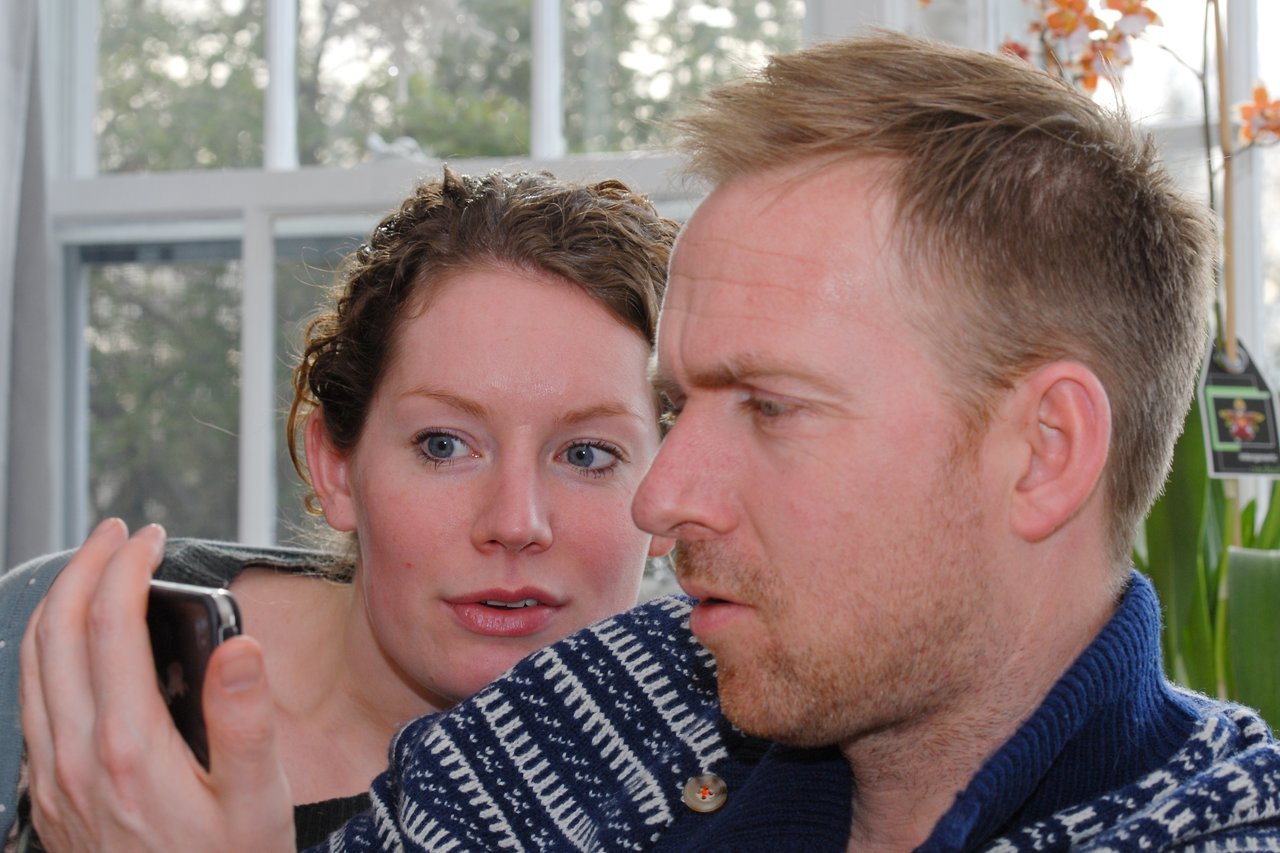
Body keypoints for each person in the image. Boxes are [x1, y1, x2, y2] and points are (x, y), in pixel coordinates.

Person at [20, 29, 1280, 852]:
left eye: (767, 406)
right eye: (677, 409)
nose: (658, 497)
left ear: (1043, 451)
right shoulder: (603, 699)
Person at [3, 167, 683, 849]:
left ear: (672, 482)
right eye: (443, 444)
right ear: (336, 468)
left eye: (587, 454)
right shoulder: (67, 643)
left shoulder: (710, 794)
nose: (515, 522)